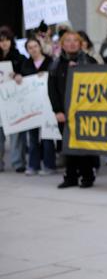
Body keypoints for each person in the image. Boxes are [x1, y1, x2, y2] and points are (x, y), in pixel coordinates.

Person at [50, 31, 98, 189]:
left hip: (84, 112)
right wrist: (57, 111)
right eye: (68, 41)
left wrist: (81, 69)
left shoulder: (90, 61)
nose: (71, 43)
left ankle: (87, 176)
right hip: (64, 112)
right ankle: (70, 177)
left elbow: (99, 82)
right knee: (68, 146)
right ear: (62, 44)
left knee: (84, 145)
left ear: (80, 44)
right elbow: (52, 90)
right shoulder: (56, 64)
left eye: (75, 41)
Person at [17, 37, 54, 175]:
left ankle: (49, 165)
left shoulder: (50, 61)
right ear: (27, 50)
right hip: (31, 106)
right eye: (30, 47)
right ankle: (33, 165)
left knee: (47, 137)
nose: (33, 49)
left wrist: (47, 74)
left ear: (40, 47)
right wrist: (18, 77)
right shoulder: (26, 64)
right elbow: (21, 79)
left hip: (48, 104)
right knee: (32, 137)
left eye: (35, 46)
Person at [0, 25, 26, 173]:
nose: (4, 43)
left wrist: (18, 76)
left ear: (11, 41)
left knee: (16, 133)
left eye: (6, 40)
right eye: (1, 40)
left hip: (14, 101)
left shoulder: (19, 58)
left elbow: (27, 73)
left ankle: (18, 162)